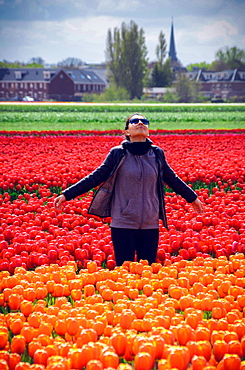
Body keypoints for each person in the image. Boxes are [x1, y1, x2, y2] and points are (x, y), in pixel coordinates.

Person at [54, 113, 204, 266]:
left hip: (150, 222)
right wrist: (67, 194)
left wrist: (192, 197)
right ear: (126, 132)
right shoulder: (118, 153)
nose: (140, 123)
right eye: (135, 121)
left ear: (148, 130)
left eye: (144, 121)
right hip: (123, 222)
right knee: (124, 270)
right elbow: (96, 177)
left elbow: (172, 178)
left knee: (148, 269)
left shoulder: (157, 154)